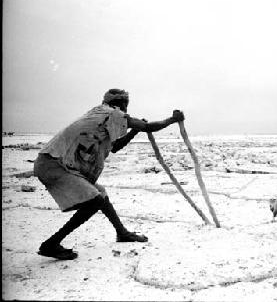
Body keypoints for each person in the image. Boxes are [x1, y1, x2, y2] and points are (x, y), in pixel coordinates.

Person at [34, 89, 185, 260]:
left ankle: (122, 233)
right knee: (94, 201)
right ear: (121, 104)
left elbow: (115, 147)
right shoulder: (113, 114)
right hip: (54, 163)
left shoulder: (99, 114)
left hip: (52, 162)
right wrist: (173, 119)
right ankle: (51, 244)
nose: (126, 109)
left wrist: (134, 131)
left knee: (101, 195)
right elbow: (149, 127)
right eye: (125, 105)